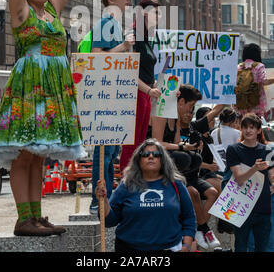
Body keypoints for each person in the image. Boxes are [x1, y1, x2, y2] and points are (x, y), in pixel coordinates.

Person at [0, 0, 87, 236]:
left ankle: (37, 217)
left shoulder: (54, 11)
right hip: (30, 86)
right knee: (25, 154)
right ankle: (22, 219)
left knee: (40, 156)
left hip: (53, 88)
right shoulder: (20, 11)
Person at [151, 84, 224, 250]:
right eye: (190, 107)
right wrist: (184, 148)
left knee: (195, 159)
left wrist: (187, 147)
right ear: (180, 101)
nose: (189, 112)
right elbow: (158, 144)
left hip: (187, 172)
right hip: (167, 167)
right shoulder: (160, 113)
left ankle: (201, 228)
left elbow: (176, 143)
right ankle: (202, 228)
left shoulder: (178, 120)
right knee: (192, 188)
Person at [95, 138, 196, 252]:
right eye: (146, 154)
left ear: (163, 160)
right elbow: (109, 221)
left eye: (156, 154)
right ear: (138, 160)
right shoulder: (126, 185)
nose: (151, 157)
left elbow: (189, 219)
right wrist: (103, 201)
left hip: (169, 248)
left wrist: (186, 247)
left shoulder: (176, 184)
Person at [89, 0, 135, 214]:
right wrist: (124, 47)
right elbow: (97, 57)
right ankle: (97, 200)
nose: (128, 0)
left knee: (110, 152)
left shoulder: (114, 24)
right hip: (105, 94)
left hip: (114, 92)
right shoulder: (106, 23)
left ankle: (104, 200)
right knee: (105, 151)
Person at [119, 0, 162, 173]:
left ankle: (134, 179)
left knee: (139, 142)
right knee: (131, 142)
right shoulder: (133, 35)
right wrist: (148, 90)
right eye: (156, 13)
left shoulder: (146, 37)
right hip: (134, 93)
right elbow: (127, 70)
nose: (159, 17)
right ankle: (126, 181)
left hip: (144, 94)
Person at [225, 113, 274, 252]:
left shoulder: (267, 150)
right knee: (241, 247)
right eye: (245, 127)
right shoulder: (233, 149)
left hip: (263, 206)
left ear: (259, 130)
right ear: (241, 129)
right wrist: (255, 168)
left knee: (262, 248)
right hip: (242, 208)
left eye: (252, 127)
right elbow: (239, 178)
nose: (248, 130)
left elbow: (271, 173)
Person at [235, 43, 274, 118]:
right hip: (256, 104)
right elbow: (264, 81)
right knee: (254, 125)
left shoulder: (239, 67)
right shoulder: (259, 66)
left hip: (241, 104)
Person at [195, 107, 222, 195]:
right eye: (209, 117)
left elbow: (208, 157)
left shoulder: (209, 137)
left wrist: (217, 164)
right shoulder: (196, 137)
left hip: (210, 173)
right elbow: (193, 161)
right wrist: (209, 166)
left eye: (214, 117)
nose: (213, 120)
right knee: (224, 189)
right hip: (200, 175)